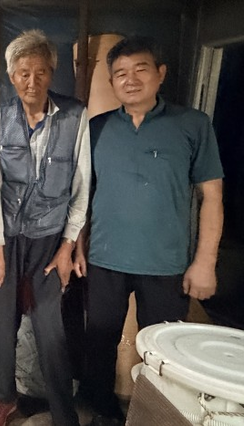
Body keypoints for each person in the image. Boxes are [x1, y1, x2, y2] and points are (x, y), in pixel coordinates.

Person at [74, 37, 224, 426]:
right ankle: (102, 412)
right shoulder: (97, 128)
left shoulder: (192, 125)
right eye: (120, 73)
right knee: (99, 341)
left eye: (141, 69)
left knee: (162, 352)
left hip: (166, 262)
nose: (130, 79)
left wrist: (205, 262)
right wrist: (79, 245)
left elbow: (212, 196)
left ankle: (155, 416)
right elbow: (85, 194)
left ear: (160, 73)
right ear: (111, 81)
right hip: (105, 257)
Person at [0, 29, 88, 426]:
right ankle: (3, 396)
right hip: (7, 235)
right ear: (12, 76)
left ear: (51, 74)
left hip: (49, 237)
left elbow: (81, 185)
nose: (32, 81)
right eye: (23, 72)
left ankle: (62, 410)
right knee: (2, 318)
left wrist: (67, 246)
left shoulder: (75, 116)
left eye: (40, 72)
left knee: (48, 324)